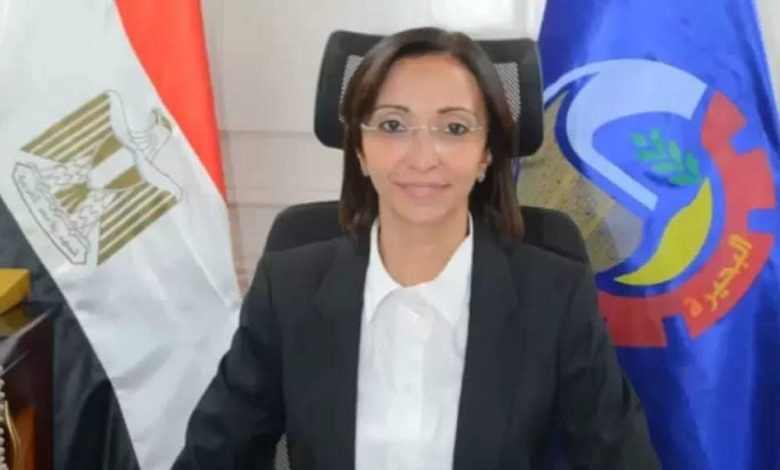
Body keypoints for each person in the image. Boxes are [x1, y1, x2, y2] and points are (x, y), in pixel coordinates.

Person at [172, 27, 660, 470]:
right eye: (392, 126)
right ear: (360, 150)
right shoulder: (287, 291)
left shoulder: (554, 298)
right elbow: (212, 458)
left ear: (486, 155)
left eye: (454, 128)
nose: (423, 158)